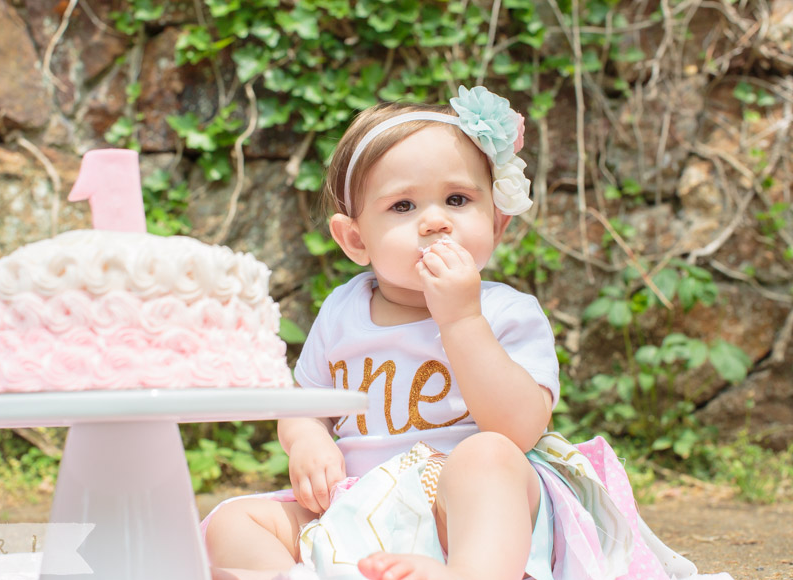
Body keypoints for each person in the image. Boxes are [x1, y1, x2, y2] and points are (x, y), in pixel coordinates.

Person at [201, 86, 726, 580]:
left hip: (468, 511)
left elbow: (519, 429)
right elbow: (304, 401)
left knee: (487, 456)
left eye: (457, 200)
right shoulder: (342, 309)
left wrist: (461, 319)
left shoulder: (503, 311)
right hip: (357, 504)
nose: (435, 222)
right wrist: (307, 438)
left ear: (497, 223)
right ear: (356, 239)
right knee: (230, 522)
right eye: (403, 206)